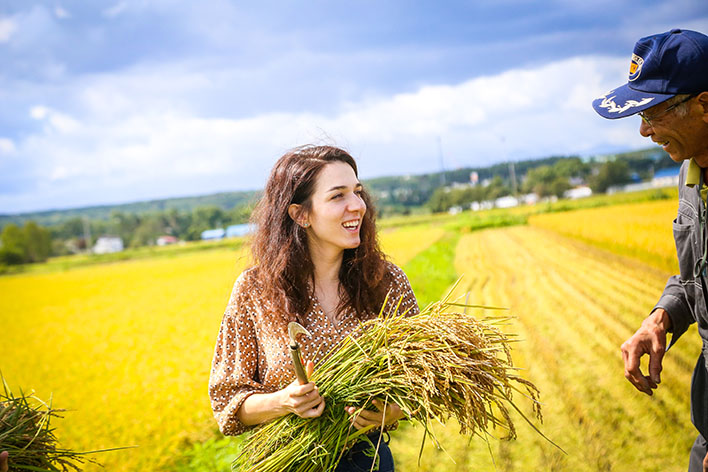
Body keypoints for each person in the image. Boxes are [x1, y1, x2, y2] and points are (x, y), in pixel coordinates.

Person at [209, 145, 419, 471]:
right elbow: (227, 403)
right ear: (301, 214)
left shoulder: (387, 281)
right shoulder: (255, 291)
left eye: (358, 192)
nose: (357, 206)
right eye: (338, 196)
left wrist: (393, 412)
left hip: (367, 462)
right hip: (286, 462)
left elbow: (424, 381)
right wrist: (283, 401)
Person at [592, 29, 708, 471]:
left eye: (654, 112)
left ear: (704, 105)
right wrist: (662, 316)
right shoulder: (690, 176)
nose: (643, 130)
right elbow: (696, 272)